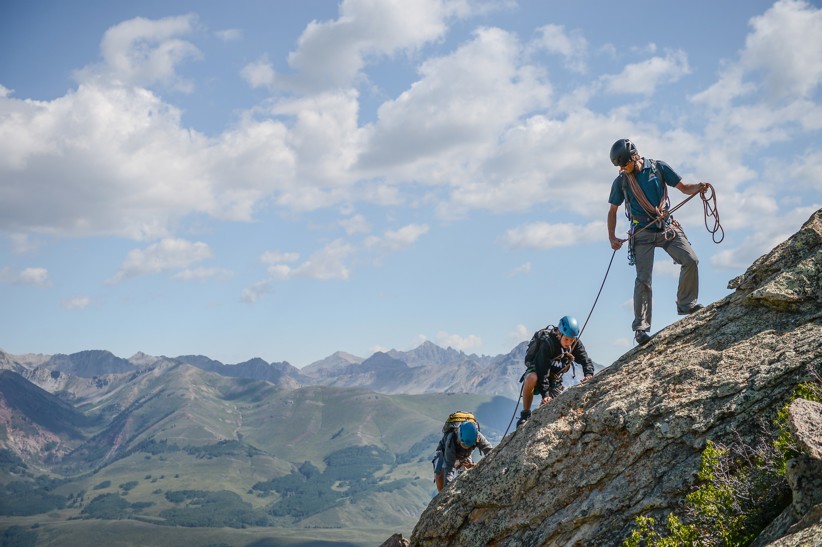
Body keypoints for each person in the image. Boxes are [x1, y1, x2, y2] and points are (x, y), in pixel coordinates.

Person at [606, 138, 707, 346]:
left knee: (691, 260)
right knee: (643, 280)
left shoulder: (658, 168)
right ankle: (641, 328)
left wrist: (699, 187)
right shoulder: (622, 181)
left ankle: (687, 304)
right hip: (641, 235)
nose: (623, 169)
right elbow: (612, 211)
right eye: (620, 166)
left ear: (634, 156)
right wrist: (612, 237)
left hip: (666, 227)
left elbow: (684, 187)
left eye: (624, 164)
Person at [517, 316, 594, 428]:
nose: (569, 343)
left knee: (551, 411)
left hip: (554, 379)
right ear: (559, 334)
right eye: (566, 339)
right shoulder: (548, 343)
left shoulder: (574, 343)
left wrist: (588, 374)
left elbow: (585, 359)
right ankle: (525, 414)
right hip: (539, 371)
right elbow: (543, 370)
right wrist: (545, 395)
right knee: (531, 378)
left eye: (571, 340)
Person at [432, 420, 493, 491]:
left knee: (469, 476)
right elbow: (449, 467)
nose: (467, 447)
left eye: (469, 446)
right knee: (440, 477)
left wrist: (476, 465)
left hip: (465, 455)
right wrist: (445, 492)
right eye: (464, 445)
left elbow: (490, 451)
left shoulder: (477, 436)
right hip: (445, 453)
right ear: (459, 438)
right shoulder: (451, 440)